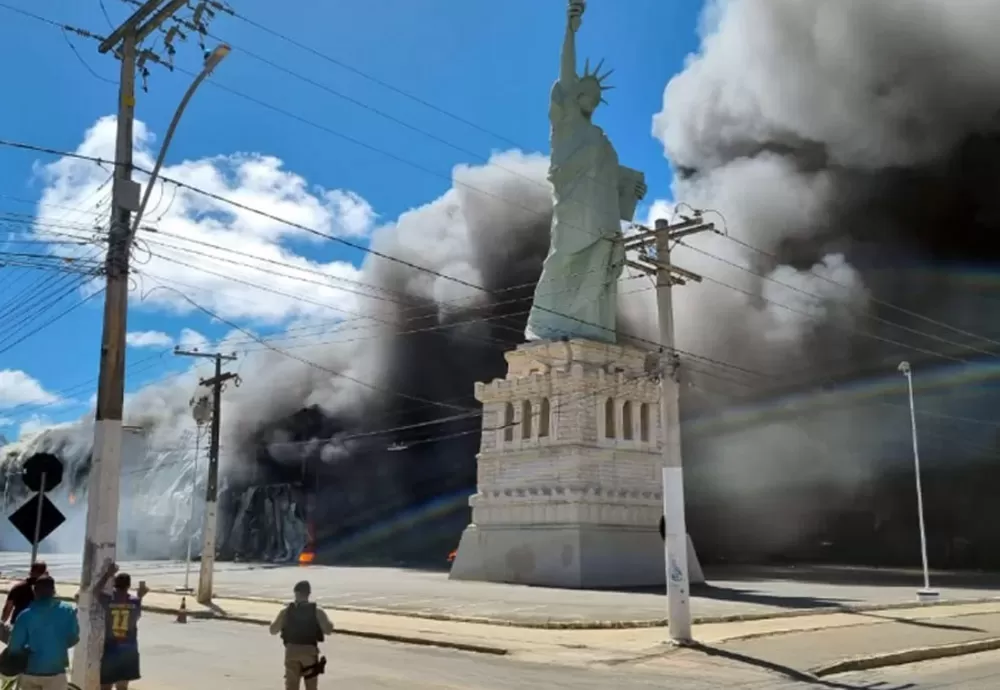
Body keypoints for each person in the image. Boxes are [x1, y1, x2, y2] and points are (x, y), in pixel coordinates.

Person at [7, 574, 79, 690]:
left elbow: (14, 647)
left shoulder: (25, 615)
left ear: (35, 592)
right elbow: (74, 638)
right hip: (56, 670)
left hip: (30, 671)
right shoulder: (67, 611)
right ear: (53, 591)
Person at [268, 581, 334, 690]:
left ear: (295, 593)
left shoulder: (286, 611)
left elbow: (273, 630)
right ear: (309, 593)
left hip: (291, 651)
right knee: (311, 686)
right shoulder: (317, 611)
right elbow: (328, 630)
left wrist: (273, 622)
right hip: (309, 652)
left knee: (291, 686)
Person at [93, 561, 148, 690]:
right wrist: (140, 596)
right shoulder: (135, 602)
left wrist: (107, 574)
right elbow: (136, 616)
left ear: (114, 584)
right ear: (129, 585)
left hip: (111, 647)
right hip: (129, 648)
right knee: (122, 686)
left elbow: (95, 591)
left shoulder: (109, 600)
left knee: (105, 685)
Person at [2, 561, 47, 627]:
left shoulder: (18, 587)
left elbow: (8, 608)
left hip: (18, 624)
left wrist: (2, 623)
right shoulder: (47, 589)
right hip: (38, 626)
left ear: (30, 572)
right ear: (44, 573)